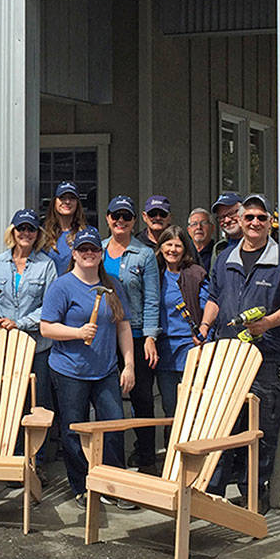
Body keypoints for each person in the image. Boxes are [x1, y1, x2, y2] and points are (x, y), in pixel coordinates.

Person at [198, 193, 280, 512]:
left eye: (262, 218)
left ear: (270, 223)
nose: (255, 223)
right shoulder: (225, 258)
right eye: (250, 218)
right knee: (222, 425)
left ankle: (253, 496)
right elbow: (215, 298)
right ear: (241, 222)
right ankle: (214, 492)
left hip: (266, 359)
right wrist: (204, 328)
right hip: (227, 356)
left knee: (260, 430)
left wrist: (268, 323)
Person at [40, 227, 136, 509]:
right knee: (73, 429)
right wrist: (77, 332)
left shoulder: (113, 284)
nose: (89, 254)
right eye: (83, 249)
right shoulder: (62, 286)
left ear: (101, 252)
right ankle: (81, 486)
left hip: (105, 370)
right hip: (70, 370)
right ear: (74, 254)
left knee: (115, 425)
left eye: (94, 249)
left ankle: (113, 485)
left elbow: (123, 326)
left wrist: (128, 364)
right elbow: (46, 327)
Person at [0, 208, 59, 480]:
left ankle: (35, 462)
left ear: (37, 233)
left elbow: (50, 306)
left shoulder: (46, 265)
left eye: (31, 229)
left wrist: (21, 322)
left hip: (37, 346)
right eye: (21, 229)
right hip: (4, 347)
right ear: (12, 232)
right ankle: (12, 460)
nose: (26, 234)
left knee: (37, 405)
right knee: (8, 404)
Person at [102, 195, 162, 472]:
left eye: (126, 217)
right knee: (106, 398)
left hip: (136, 335)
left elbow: (152, 299)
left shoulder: (145, 254)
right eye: (116, 216)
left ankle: (147, 459)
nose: (121, 222)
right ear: (108, 219)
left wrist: (150, 336)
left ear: (134, 221)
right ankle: (109, 460)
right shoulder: (97, 251)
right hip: (103, 336)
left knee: (142, 399)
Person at [152, 225, 208, 424]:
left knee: (192, 406)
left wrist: (204, 338)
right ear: (160, 246)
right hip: (164, 349)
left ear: (185, 249)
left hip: (190, 346)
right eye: (168, 244)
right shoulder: (154, 274)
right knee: (169, 407)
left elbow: (207, 308)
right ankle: (171, 450)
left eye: (178, 245)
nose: (172, 249)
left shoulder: (196, 274)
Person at [41, 181, 88, 275]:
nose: (67, 202)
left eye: (72, 198)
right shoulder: (42, 234)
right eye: (62, 198)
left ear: (77, 203)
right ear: (54, 202)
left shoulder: (87, 233)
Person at [186, 207, 217, 273]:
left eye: (204, 223)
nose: (199, 227)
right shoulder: (184, 252)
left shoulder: (218, 252)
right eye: (194, 224)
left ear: (212, 228)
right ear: (189, 230)